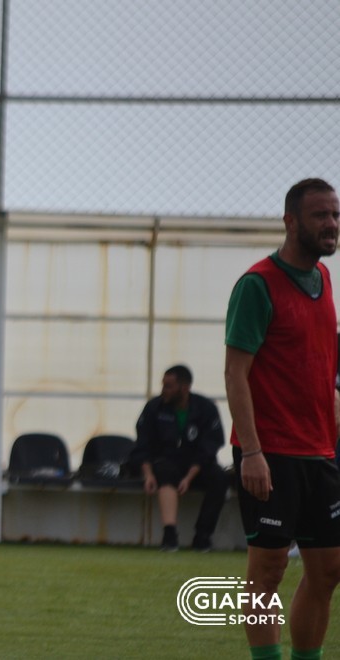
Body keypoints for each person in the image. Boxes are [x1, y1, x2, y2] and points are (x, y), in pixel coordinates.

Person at [225, 177, 340, 660]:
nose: (332, 224)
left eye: (335, 215)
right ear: (291, 221)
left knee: (328, 570)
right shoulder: (257, 285)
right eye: (321, 215)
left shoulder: (324, 279)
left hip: (320, 452)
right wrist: (251, 452)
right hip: (269, 452)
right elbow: (235, 372)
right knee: (268, 571)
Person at [130, 364, 228, 552]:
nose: (163, 390)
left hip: (197, 465)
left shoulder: (206, 408)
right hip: (166, 463)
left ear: (184, 388)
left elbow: (210, 447)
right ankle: (170, 535)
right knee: (164, 472)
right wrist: (148, 475)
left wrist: (189, 477)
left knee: (219, 478)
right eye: (163, 385)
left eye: (168, 386)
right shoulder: (154, 408)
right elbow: (142, 445)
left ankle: (203, 536)